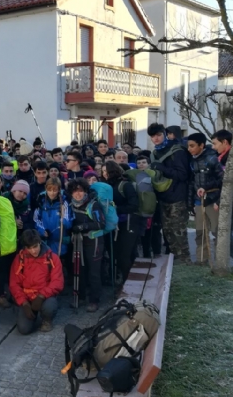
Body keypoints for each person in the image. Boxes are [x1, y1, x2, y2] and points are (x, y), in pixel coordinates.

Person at [148, 123, 191, 263]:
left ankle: (184, 261)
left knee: (178, 231)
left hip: (177, 196)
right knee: (167, 232)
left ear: (165, 134)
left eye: (159, 135)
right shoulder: (155, 153)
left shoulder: (177, 151)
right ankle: (175, 261)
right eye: (153, 136)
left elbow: (183, 175)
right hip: (163, 196)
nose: (156, 139)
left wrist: (162, 168)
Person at [9, 229, 63, 334]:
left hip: (45, 297)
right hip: (27, 297)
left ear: (39, 243)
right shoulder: (19, 259)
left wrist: (41, 296)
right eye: (29, 248)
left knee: (49, 306)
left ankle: (47, 320)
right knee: (24, 329)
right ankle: (31, 315)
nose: (33, 251)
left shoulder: (52, 258)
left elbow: (57, 282)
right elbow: (14, 284)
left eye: (35, 247)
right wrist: (24, 303)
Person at [67, 178, 105, 312]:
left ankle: (94, 300)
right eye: (75, 191)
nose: (78, 194)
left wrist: (83, 226)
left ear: (85, 191)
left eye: (81, 191)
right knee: (79, 270)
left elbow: (101, 223)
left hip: (93, 242)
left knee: (93, 272)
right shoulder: (70, 205)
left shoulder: (93, 205)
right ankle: (81, 297)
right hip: (78, 241)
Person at [103, 161, 142, 290]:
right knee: (119, 255)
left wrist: (114, 209)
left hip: (129, 223)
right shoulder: (107, 186)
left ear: (112, 172)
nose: (103, 174)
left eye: (105, 171)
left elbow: (134, 205)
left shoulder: (125, 185)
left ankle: (128, 285)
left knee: (125, 255)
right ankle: (125, 282)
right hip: (116, 225)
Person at [187, 133, 224, 264]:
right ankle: (201, 259)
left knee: (216, 232)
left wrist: (206, 188)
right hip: (198, 201)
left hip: (213, 200)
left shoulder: (213, 159)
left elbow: (222, 179)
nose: (189, 149)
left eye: (192, 146)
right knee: (200, 232)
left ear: (201, 145)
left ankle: (220, 261)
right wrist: (190, 202)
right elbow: (191, 182)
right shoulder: (191, 160)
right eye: (188, 146)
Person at [34, 177, 72, 259]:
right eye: (49, 190)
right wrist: (41, 230)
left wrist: (63, 221)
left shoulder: (64, 202)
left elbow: (68, 221)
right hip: (45, 242)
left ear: (59, 190)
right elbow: (36, 219)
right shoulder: (41, 201)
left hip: (60, 242)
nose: (52, 193)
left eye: (55, 190)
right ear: (46, 189)